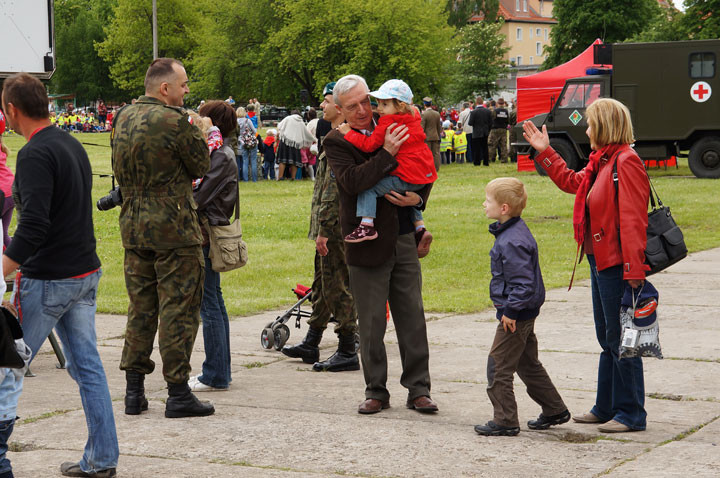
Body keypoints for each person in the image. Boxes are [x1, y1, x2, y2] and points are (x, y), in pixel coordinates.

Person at [1, 72, 119, 477]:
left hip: (50, 280)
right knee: (87, 368)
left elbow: (32, 226)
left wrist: (3, 270)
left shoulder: (33, 154)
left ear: (12, 111)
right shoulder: (71, 144)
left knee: (7, 366)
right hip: (84, 273)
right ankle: (102, 458)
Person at [522, 98, 650, 433]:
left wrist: (635, 270)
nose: (587, 129)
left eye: (591, 124)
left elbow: (635, 221)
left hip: (618, 264)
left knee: (623, 338)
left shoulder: (626, 161)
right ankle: (606, 407)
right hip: (599, 259)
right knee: (608, 337)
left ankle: (632, 413)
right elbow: (573, 183)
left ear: (606, 126)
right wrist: (545, 151)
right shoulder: (602, 161)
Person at [325, 74, 438, 415]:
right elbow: (353, 182)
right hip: (365, 243)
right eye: (353, 106)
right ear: (340, 110)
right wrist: (387, 153)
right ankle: (376, 390)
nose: (363, 110)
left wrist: (416, 199)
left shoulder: (396, 121)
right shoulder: (337, 141)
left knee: (412, 318)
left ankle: (419, 389)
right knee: (372, 324)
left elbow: (424, 166)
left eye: (366, 101)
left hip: (403, 234)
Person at [113, 58, 214, 420]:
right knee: (179, 310)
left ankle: (133, 391)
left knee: (140, 308)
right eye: (183, 84)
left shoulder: (122, 117)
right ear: (165, 88)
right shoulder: (177, 121)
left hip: (134, 227)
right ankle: (177, 392)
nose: (187, 90)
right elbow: (201, 165)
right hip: (173, 228)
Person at [474, 177, 570, 437]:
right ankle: (554, 409)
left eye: (489, 201)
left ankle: (505, 420)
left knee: (498, 366)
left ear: (503, 208)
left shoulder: (512, 241)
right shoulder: (510, 233)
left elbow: (523, 283)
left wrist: (510, 311)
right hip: (522, 312)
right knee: (527, 363)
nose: (484, 204)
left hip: (515, 315)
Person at [282, 82, 360, 372]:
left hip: (335, 226)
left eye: (326, 102)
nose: (322, 107)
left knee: (337, 285)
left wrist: (325, 228)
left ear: (339, 108)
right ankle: (312, 341)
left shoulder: (340, 139)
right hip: (329, 224)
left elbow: (332, 190)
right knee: (322, 283)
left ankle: (347, 348)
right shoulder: (336, 135)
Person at [337, 79, 436, 247]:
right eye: (378, 103)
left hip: (405, 179)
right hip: (423, 175)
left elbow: (368, 145)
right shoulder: (413, 118)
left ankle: (366, 225)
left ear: (400, 106)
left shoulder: (386, 123)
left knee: (369, 188)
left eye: (384, 104)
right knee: (403, 189)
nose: (379, 108)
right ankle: (420, 227)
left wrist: (348, 133)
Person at [190, 100, 239, 392]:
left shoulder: (219, 155)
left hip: (207, 236)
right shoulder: (220, 152)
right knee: (214, 304)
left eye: (202, 114)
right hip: (208, 233)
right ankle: (219, 370)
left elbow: (198, 197)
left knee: (209, 306)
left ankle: (216, 374)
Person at [276, 110, 315, 180]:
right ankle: (293, 177)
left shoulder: (287, 118)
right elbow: (306, 133)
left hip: (285, 141)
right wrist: (314, 139)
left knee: (282, 160)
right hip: (296, 143)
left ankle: (280, 177)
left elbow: (279, 126)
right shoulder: (301, 122)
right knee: (294, 161)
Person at [0, 111, 14, 247]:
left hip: (2, 193)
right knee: (3, 235)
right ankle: (24, 263)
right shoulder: (1, 145)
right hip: (10, 190)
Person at [468, 96, 493, 166]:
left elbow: (470, 123)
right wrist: (488, 130)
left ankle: (477, 162)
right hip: (485, 132)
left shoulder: (473, 112)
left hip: (476, 132)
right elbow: (491, 123)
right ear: (482, 102)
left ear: (476, 103)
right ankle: (486, 162)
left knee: (477, 148)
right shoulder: (488, 111)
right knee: (485, 147)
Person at [420, 97, 442, 171]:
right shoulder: (437, 114)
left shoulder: (424, 114)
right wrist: (439, 136)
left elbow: (422, 127)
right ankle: (436, 168)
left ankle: (428, 168)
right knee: (436, 153)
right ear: (431, 104)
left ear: (424, 104)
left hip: (427, 137)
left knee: (427, 154)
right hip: (435, 136)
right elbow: (438, 127)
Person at [237, 107, 258, 182]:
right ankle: (254, 179)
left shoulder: (235, 122)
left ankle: (245, 179)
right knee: (253, 161)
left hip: (242, 142)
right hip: (251, 141)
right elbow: (254, 130)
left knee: (245, 161)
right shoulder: (247, 120)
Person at [488, 98, 509, 163]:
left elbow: (491, 119)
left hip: (495, 129)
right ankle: (504, 159)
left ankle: (491, 158)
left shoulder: (495, 111)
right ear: (503, 103)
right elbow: (507, 120)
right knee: (503, 145)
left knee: (492, 145)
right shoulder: (506, 111)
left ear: (497, 103)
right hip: (503, 129)